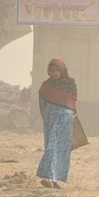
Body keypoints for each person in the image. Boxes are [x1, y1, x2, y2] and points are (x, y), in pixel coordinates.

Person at [37, 58, 78, 189]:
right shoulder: (46, 85)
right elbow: (42, 104)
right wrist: (48, 116)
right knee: (51, 147)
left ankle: (55, 180)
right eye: (52, 70)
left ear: (62, 70)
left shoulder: (70, 84)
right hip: (51, 120)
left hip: (66, 121)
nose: (55, 73)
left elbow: (73, 103)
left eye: (57, 70)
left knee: (62, 150)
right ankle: (48, 177)